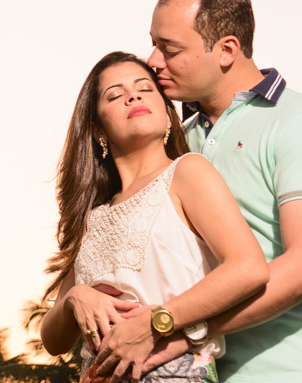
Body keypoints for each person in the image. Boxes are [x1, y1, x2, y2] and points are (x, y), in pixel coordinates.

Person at [116, 0, 302, 383]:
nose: (152, 61)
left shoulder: (301, 122)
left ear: (227, 50)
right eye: (153, 45)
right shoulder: (175, 143)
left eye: (169, 49)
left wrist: (179, 327)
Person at [40, 51, 269, 382]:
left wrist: (158, 321)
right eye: (115, 95)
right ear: (97, 131)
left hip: (172, 372)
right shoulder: (92, 216)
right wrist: (75, 298)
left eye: (145, 88)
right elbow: (53, 340)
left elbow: (248, 268)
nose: (132, 96)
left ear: (167, 111)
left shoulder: (187, 172)